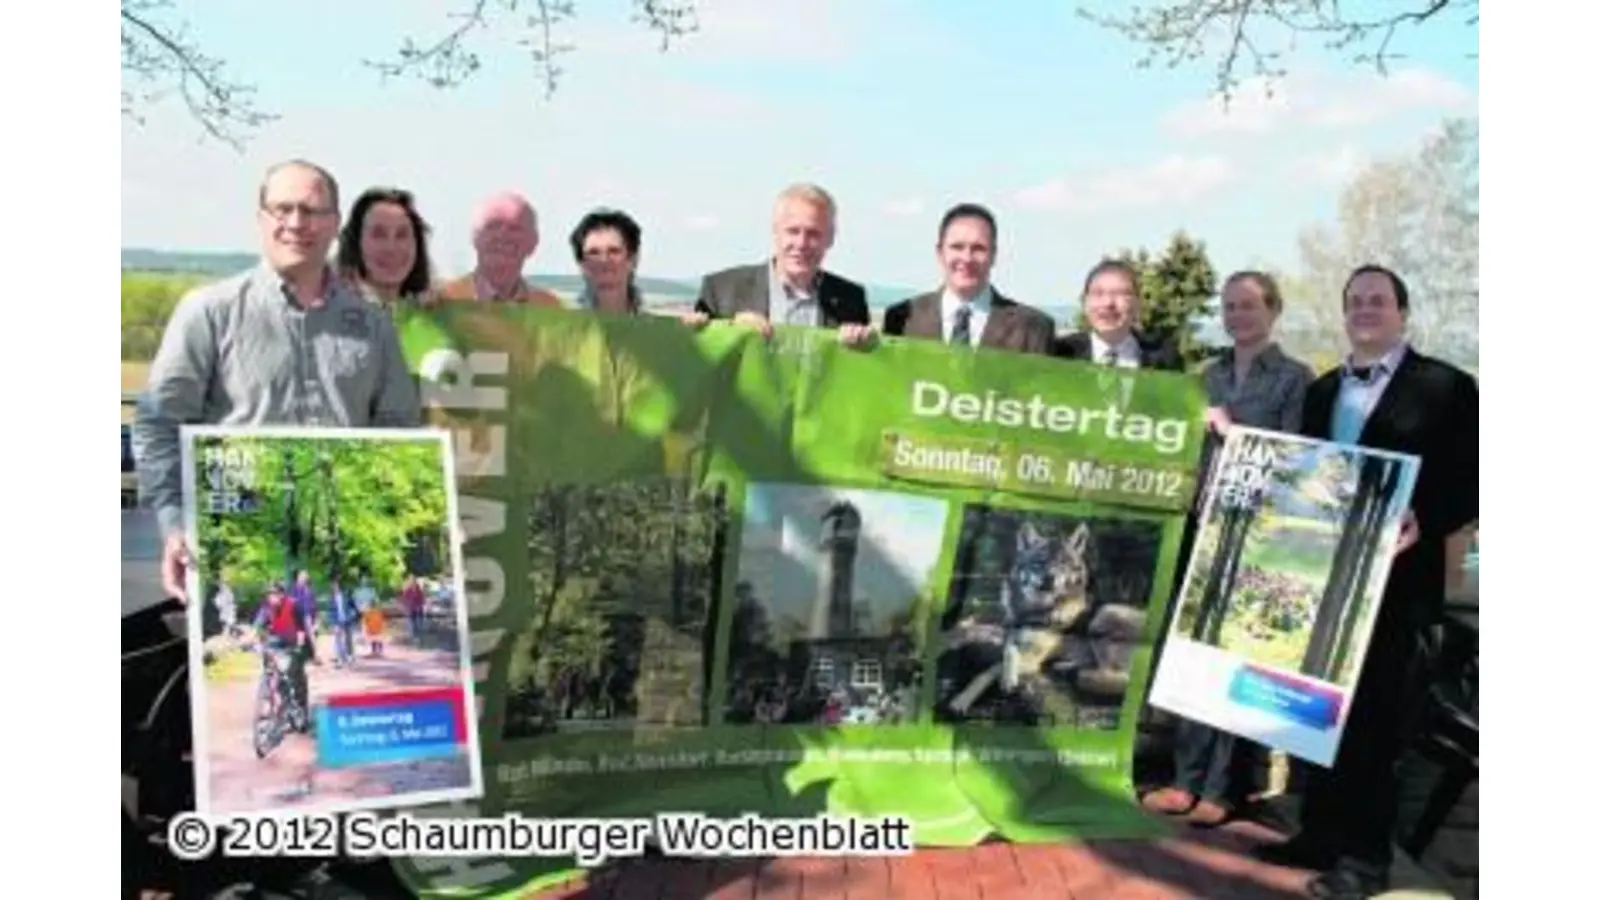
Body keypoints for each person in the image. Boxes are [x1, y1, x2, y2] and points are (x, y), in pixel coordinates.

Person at [129, 158, 421, 898]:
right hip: (242, 553)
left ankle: (333, 857)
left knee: (343, 705)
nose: (297, 222)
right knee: (238, 721)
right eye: (283, 208)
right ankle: (247, 872)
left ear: (333, 225)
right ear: (262, 217)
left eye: (313, 210)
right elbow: (161, 422)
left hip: (339, 551)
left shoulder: (368, 320)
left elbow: (398, 429)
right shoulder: (211, 310)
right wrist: (174, 523)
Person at [1253, 264, 1478, 900]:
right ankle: (1320, 833)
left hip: (1398, 589)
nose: (1366, 310)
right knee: (1319, 713)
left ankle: (1365, 858)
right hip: (1324, 580)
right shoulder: (1324, 391)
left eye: (1378, 300)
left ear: (1402, 312)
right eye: (1356, 301)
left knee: (1375, 727)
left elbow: (1473, 477)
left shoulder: (1448, 387)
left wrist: (1424, 517)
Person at [1140, 270, 1315, 827]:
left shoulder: (1294, 378)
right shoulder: (1207, 376)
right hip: (1201, 529)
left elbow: (1298, 462)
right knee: (1194, 658)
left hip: (1258, 538)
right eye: (1230, 306)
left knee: (1239, 662)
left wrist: (1232, 431)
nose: (1238, 315)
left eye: (1248, 306)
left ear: (1273, 311)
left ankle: (1224, 789)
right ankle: (1184, 781)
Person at [688, 183, 874, 346]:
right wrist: (729, 330)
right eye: (793, 231)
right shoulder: (721, 291)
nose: (801, 244)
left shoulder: (852, 300)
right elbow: (695, 359)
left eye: (813, 234)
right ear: (775, 231)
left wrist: (864, 346)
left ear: (831, 238)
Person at [882, 202, 1054, 354]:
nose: (967, 258)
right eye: (957, 247)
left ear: (994, 255)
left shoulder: (1033, 327)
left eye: (979, 248)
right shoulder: (902, 320)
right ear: (940, 253)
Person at [435, 191, 562, 305]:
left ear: (533, 243)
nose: (502, 236)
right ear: (475, 237)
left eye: (515, 229)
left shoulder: (550, 307)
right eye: (492, 226)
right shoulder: (443, 302)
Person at [1054, 259, 1184, 370]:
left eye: (1120, 293)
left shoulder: (1164, 355)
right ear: (1084, 302)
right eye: (1098, 293)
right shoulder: (1061, 354)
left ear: (1137, 303)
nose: (1108, 303)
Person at [335, 186, 436, 306]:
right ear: (356, 243)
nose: (391, 247)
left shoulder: (434, 318)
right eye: (378, 235)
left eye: (402, 235)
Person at [570, 208, 645, 315]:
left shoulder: (657, 328)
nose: (604, 260)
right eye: (593, 253)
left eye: (614, 251)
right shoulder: (565, 325)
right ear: (581, 263)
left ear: (633, 259)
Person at [253, 583, 311, 718]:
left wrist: (299, 646)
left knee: (295, 673)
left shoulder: (294, 605)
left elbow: (301, 629)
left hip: (295, 640)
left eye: (274, 595)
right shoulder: (267, 608)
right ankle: (269, 698)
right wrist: (251, 639)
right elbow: (258, 625)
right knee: (269, 660)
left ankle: (301, 707)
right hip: (278, 640)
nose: (271, 598)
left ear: (281, 595)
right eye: (269, 595)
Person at [329, 578, 358, 668]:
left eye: (335, 585)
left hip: (347, 620)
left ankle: (350, 657)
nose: (333, 587)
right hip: (338, 621)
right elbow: (331, 611)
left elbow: (354, 607)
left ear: (339, 586)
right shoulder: (332, 598)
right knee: (338, 640)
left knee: (348, 639)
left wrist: (352, 616)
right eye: (332, 586)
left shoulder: (346, 595)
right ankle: (340, 660)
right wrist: (332, 623)